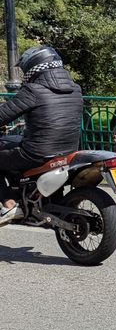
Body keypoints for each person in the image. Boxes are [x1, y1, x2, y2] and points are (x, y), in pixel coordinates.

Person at [0, 46, 83, 226]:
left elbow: (4, 114)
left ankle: (9, 204)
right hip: (68, 150)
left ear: (34, 67)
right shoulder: (75, 89)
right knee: (11, 143)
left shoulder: (33, 90)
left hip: (37, 153)